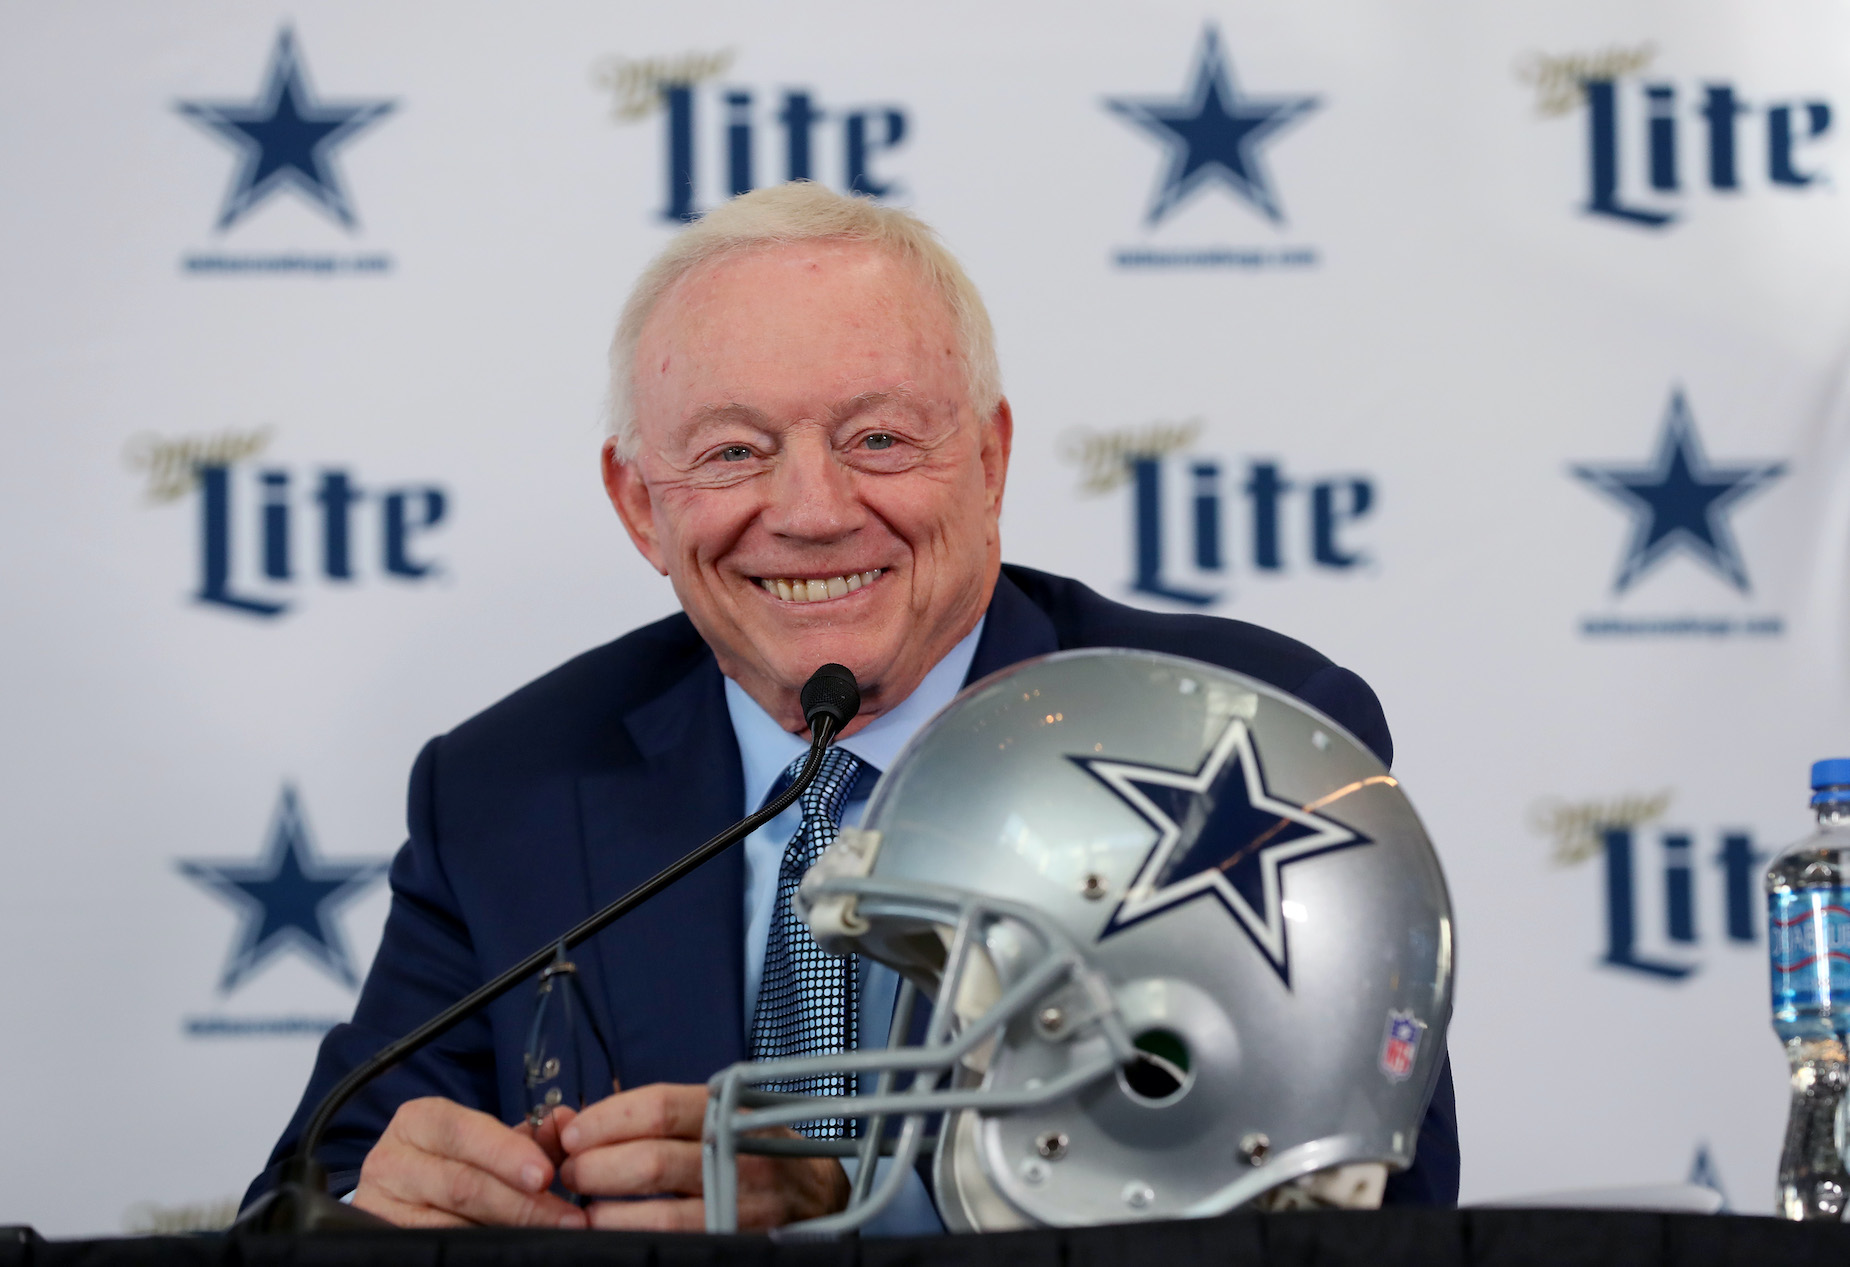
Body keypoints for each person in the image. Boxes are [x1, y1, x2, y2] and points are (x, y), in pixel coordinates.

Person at [246, 182, 1458, 1232]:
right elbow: (301, 1198)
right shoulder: (506, 789)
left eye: (877, 438)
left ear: (988, 461)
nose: (813, 509)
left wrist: (863, 1199)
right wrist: (383, 1208)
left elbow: (1352, 1212)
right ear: (637, 505)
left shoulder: (1233, 731)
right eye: (731, 453)